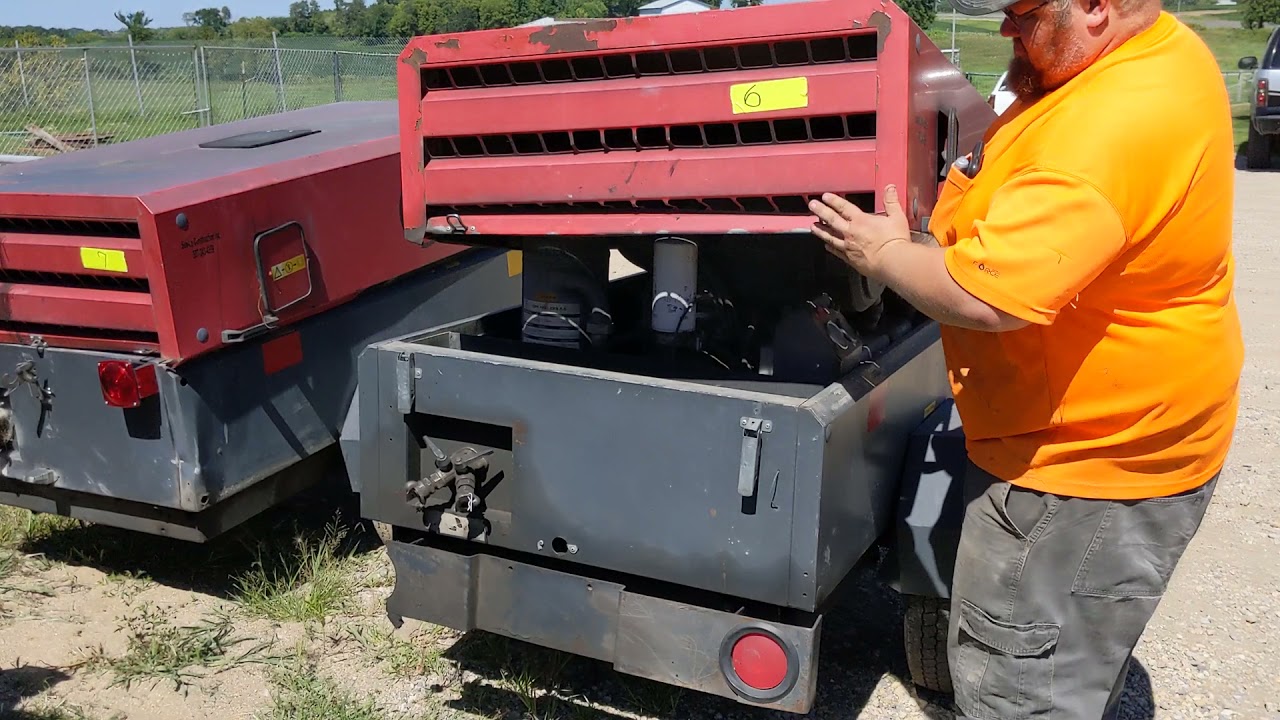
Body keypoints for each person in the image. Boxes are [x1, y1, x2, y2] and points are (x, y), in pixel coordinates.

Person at [807, 0, 1244, 717]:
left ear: (1096, 7)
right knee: (1068, 660)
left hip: (1082, 470)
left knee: (1021, 684)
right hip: (1131, 432)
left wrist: (882, 254)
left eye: (1023, 13)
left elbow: (988, 298)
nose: (1007, 28)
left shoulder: (1113, 123)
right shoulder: (1150, 51)